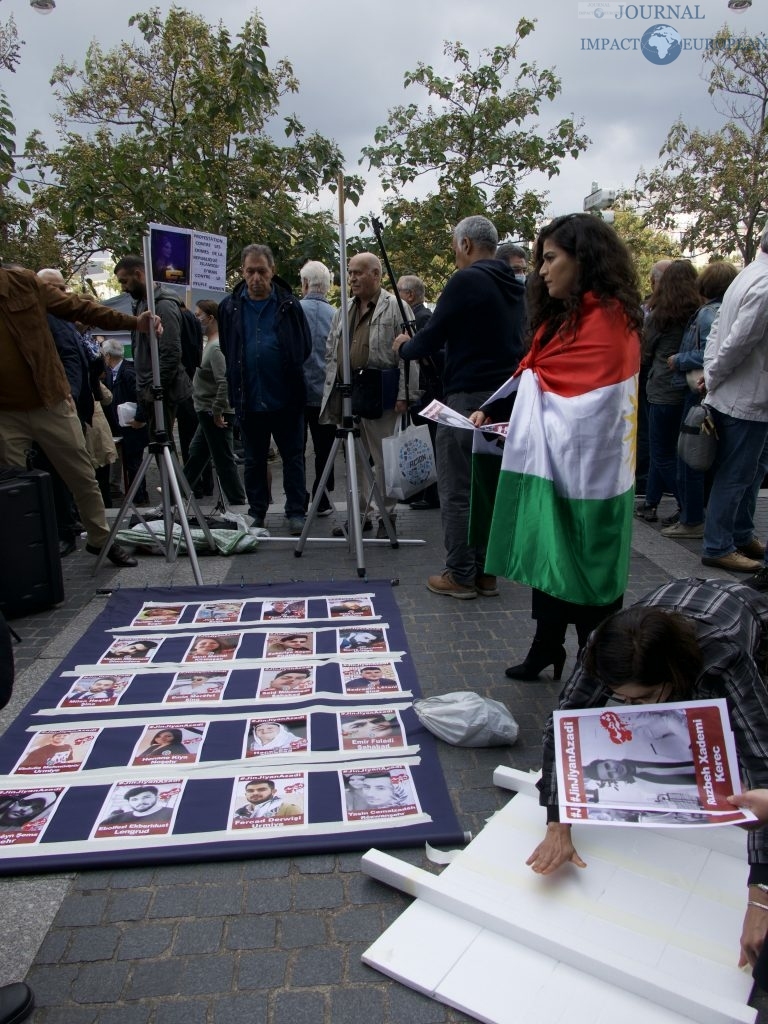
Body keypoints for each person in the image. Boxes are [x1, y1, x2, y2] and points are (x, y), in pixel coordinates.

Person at [527, 576, 768, 971]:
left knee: (741, 734)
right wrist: (558, 818)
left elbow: (763, 763)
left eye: (638, 698)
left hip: (742, 615)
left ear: (671, 676)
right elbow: (563, 723)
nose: (625, 704)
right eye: (619, 696)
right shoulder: (606, 647)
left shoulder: (724, 656)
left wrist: (761, 892)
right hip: (674, 604)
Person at [471, 213, 642, 680]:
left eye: (550, 259)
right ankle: (546, 646)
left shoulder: (610, 323)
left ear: (583, 259)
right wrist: (497, 413)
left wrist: (529, 420)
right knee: (549, 550)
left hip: (596, 478)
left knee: (588, 561)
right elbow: (535, 378)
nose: (541, 270)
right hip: (557, 464)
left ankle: (597, 658)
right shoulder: (561, 319)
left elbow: (594, 407)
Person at [394, 216, 524, 598]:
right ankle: (486, 571)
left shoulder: (466, 279)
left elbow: (431, 337)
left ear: (465, 244)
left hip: (466, 400)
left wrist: (405, 346)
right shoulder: (514, 285)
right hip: (505, 399)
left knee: (457, 487)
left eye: (454, 248)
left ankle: (460, 574)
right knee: (488, 488)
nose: (454, 255)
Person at [0, 262, 162, 567]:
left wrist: (134, 322)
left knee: (83, 475)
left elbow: (81, 308)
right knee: (12, 490)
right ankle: (22, 558)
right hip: (5, 414)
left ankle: (101, 539)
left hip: (50, 402)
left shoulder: (22, 283)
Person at [321, 252, 417, 539]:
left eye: (358, 273)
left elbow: (409, 356)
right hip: (350, 394)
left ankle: (388, 515)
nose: (352, 278)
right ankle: (360, 515)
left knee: (384, 458)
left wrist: (406, 394)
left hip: (381, 392)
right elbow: (331, 350)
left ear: (377, 274)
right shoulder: (344, 308)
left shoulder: (396, 307)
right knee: (354, 458)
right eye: (350, 273)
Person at [218, 244, 311, 535]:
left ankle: (296, 510)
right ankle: (257, 511)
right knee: (254, 459)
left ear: (272, 271)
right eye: (250, 271)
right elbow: (227, 346)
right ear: (242, 273)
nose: (256, 277)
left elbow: (304, 346)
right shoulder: (230, 307)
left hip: (286, 397)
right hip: (249, 397)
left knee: (293, 456)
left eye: (262, 271)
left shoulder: (289, 304)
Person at [701, 223, 768, 574]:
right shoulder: (764, 282)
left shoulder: (749, 274)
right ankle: (719, 544)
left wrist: (712, 372)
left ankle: (740, 534)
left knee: (750, 471)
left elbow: (719, 333)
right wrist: (713, 375)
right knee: (737, 474)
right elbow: (738, 341)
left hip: (741, 393)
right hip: (745, 397)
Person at [662, 261, 739, 539]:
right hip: (718, 392)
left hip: (698, 391)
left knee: (690, 456)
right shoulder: (729, 310)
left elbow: (709, 353)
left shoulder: (707, 314)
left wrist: (678, 359)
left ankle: (692, 518)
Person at [634, 260, 700, 524]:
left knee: (661, 452)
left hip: (661, 388)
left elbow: (645, 352)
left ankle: (690, 508)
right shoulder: (697, 311)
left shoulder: (660, 314)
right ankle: (650, 503)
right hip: (686, 389)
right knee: (670, 448)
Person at [113, 255, 193, 442]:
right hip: (151, 389)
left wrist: (153, 389)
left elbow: (170, 353)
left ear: (139, 274)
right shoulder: (142, 304)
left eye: (125, 281)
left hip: (162, 392)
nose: (123, 287)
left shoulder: (163, 306)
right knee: (158, 444)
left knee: (163, 445)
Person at [181, 300, 246, 505]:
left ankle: (237, 501)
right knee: (197, 454)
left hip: (214, 412)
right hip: (207, 410)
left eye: (199, 314)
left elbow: (224, 381)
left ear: (210, 318)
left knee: (222, 458)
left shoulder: (216, 347)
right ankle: (179, 495)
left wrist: (218, 410)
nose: (196, 318)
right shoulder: (210, 344)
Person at [397, 273, 440, 511]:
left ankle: (431, 494)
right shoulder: (419, 317)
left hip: (426, 391)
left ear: (410, 295)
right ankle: (420, 491)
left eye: (400, 293)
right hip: (424, 390)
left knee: (428, 442)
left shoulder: (420, 319)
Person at [299, 260, 336, 517]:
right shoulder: (337, 315)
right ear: (328, 286)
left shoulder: (292, 311)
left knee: (295, 449)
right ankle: (321, 497)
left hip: (296, 393)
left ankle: (298, 499)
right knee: (325, 449)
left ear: (304, 283)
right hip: (326, 393)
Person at [101, 337, 150, 506]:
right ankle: (137, 495)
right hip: (121, 425)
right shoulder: (111, 373)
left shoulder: (128, 372)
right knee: (130, 462)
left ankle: (140, 497)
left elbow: (142, 397)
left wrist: (139, 418)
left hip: (133, 425)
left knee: (134, 463)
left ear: (107, 356)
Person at [582, 757, 697, 787]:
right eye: (610, 774)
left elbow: (667, 721)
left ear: (609, 759)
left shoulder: (638, 744)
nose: (614, 769)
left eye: (608, 765)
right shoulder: (646, 787)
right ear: (613, 779)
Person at [99, 785, 173, 825]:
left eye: (146, 797)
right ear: (129, 802)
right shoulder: (113, 820)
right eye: (134, 799)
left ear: (156, 797)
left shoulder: (172, 813)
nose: (140, 802)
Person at [233, 779, 302, 819]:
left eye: (261, 789)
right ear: (246, 794)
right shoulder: (238, 813)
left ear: (273, 792)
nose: (255, 793)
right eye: (250, 791)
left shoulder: (288, 809)